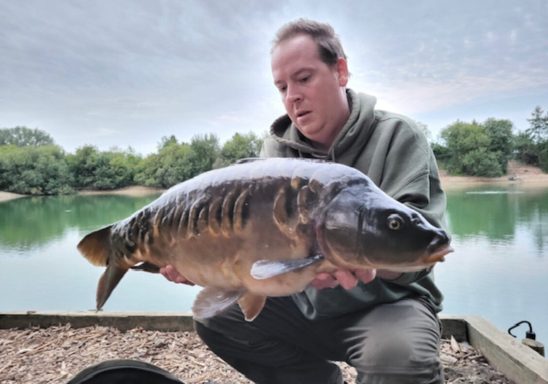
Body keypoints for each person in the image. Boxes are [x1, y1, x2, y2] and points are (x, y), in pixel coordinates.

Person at [161, 19, 448, 384]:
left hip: (388, 305)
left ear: (340, 71)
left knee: (398, 360)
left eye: (304, 78)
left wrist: (367, 262)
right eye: (282, 86)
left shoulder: (397, 136)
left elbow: (423, 245)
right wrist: (202, 262)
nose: (292, 96)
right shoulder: (275, 155)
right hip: (299, 300)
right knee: (216, 317)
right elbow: (254, 255)